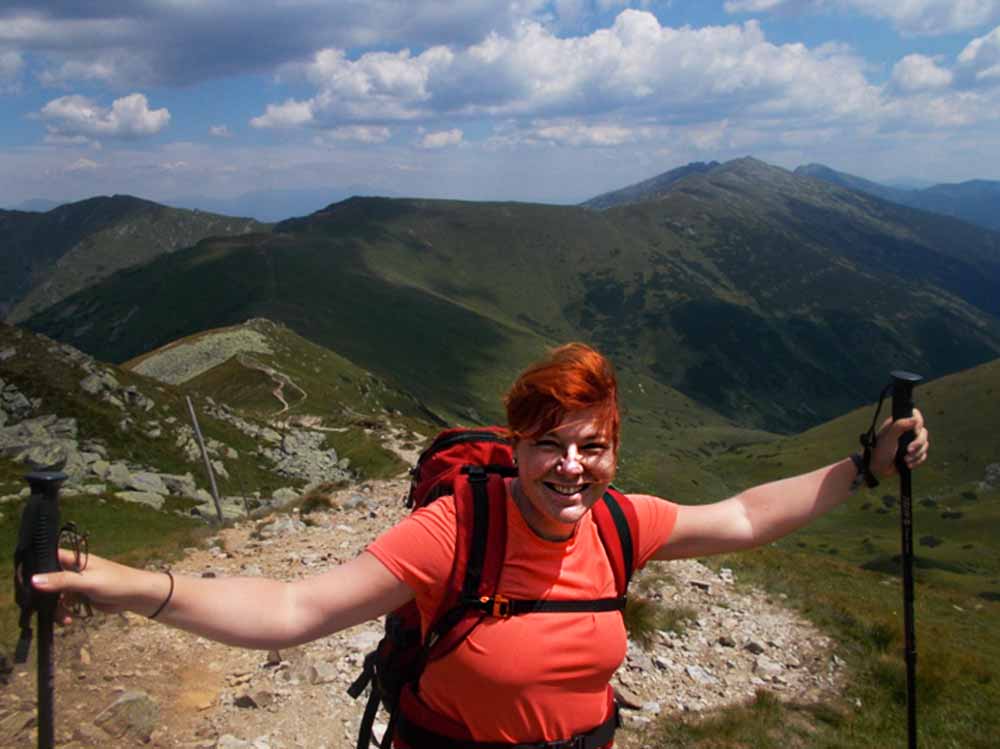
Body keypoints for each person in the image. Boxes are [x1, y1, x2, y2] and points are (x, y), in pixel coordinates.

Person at [32, 343, 929, 749]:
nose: (571, 467)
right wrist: (128, 583)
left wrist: (867, 463)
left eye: (592, 445)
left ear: (612, 448)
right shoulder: (458, 527)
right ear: (516, 446)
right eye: (549, 444)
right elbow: (291, 609)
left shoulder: (622, 523)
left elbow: (743, 516)